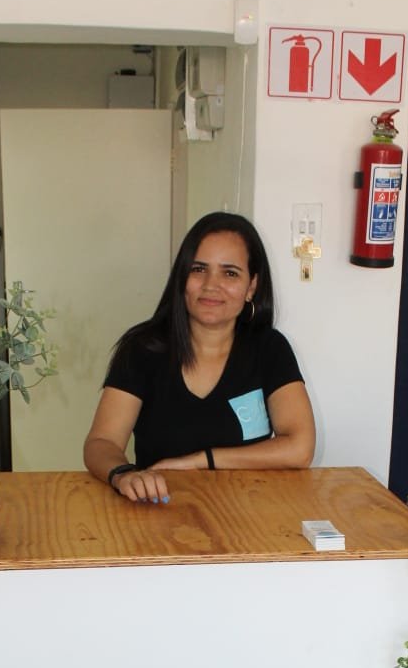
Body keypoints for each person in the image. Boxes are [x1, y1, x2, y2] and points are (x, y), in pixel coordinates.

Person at [83, 211, 316, 503]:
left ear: (251, 287)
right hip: (159, 514)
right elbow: (101, 442)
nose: (210, 285)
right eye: (198, 269)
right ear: (182, 277)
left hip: (250, 517)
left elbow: (300, 447)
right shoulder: (143, 348)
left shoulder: (269, 348)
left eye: (230, 273)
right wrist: (124, 473)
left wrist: (201, 461)